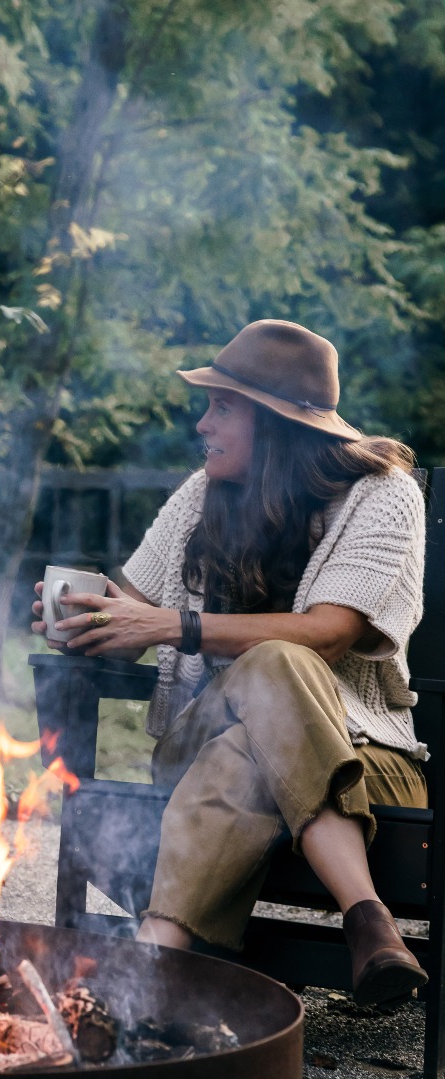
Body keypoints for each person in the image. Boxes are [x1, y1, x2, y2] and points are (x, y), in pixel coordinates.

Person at [33, 318, 429, 1007]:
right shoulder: (201, 496)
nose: (201, 425)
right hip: (196, 740)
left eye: (222, 407)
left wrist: (176, 626)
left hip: (370, 760)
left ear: (277, 424)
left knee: (260, 716)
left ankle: (152, 962)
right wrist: (83, 620)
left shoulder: (384, 494)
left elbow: (330, 633)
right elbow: (131, 610)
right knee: (261, 693)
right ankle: (366, 915)